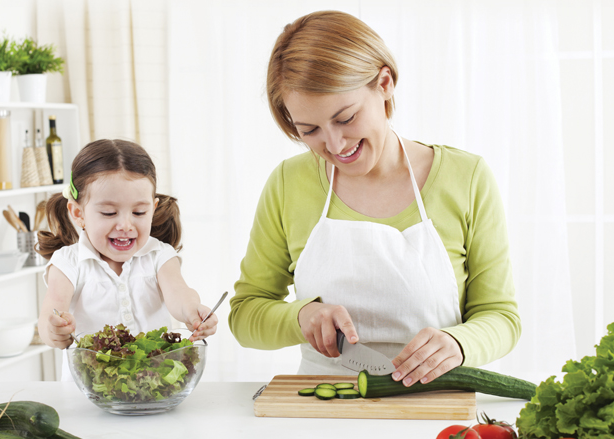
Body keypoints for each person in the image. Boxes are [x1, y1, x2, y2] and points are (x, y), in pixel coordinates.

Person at [229, 11, 520, 387]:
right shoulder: (288, 184)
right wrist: (300, 317)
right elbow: (245, 315)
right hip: (322, 405)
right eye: (310, 130)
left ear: (384, 83)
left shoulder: (466, 178)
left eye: (346, 118)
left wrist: (459, 342)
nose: (334, 145)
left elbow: (501, 317)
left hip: (435, 404)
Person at [37, 139, 217, 380]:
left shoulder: (159, 255)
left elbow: (180, 294)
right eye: (109, 213)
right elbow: (51, 309)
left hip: (152, 387)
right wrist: (54, 329)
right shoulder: (68, 262)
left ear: (152, 210)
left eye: (139, 212)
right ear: (78, 213)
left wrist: (193, 312)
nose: (125, 225)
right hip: (90, 393)